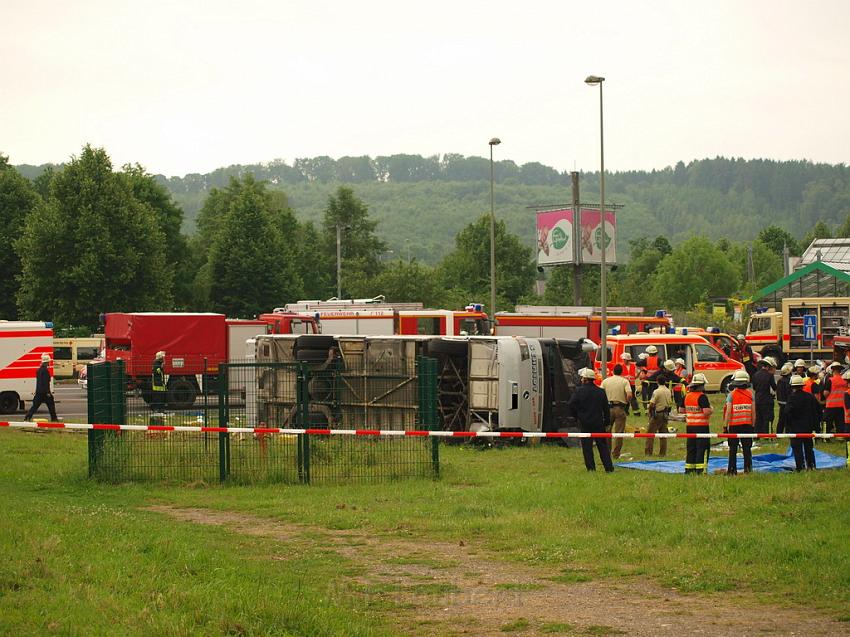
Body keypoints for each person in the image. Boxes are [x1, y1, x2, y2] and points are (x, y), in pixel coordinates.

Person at [568, 367, 614, 472]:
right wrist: (607, 422)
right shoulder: (601, 392)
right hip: (598, 423)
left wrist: (577, 416)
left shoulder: (579, 391)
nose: (581, 380)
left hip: (584, 423)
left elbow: (571, 405)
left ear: (585, 379)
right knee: (603, 447)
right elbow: (606, 409)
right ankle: (609, 468)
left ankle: (591, 468)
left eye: (582, 378)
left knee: (587, 447)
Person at [785, 374, 820, 471]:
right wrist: (816, 426)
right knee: (809, 448)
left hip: (795, 428)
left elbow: (787, 413)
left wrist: (788, 427)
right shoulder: (810, 397)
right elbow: (818, 410)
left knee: (797, 449)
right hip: (808, 427)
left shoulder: (791, 398)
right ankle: (811, 465)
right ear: (802, 385)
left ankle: (800, 467)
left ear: (792, 386)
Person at [681, 373, 713, 474]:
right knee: (702, 448)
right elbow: (706, 412)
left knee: (691, 448)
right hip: (701, 427)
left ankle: (689, 469)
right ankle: (700, 470)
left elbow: (681, 410)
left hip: (690, 426)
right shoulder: (702, 397)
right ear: (701, 385)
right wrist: (711, 409)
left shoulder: (687, 396)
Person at [724, 369, 755, 474]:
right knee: (747, 449)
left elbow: (728, 412)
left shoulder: (731, 395)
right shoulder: (751, 394)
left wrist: (725, 426)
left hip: (734, 426)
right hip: (747, 425)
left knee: (732, 450)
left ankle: (732, 470)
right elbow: (753, 412)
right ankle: (748, 469)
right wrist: (753, 425)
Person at [601, 364, 633, 460]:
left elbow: (601, 393)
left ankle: (607, 452)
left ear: (613, 371)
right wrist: (627, 402)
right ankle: (616, 453)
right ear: (621, 371)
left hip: (608, 408)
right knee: (619, 433)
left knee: (607, 431)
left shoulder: (606, 381)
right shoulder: (624, 381)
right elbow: (630, 395)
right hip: (620, 408)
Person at [24, 353, 58, 421]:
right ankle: (54, 418)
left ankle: (27, 417)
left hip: (39, 391)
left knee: (35, 406)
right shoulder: (45, 371)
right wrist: (48, 392)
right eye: (48, 362)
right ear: (47, 362)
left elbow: (39, 382)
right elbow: (45, 383)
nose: (49, 363)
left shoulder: (38, 370)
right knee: (51, 404)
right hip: (44, 392)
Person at [645, 378, 672, 457]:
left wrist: (649, 411)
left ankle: (648, 453)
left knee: (650, 434)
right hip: (665, 414)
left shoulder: (656, 391)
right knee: (663, 435)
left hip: (657, 414)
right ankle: (662, 453)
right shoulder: (668, 391)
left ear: (657, 382)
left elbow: (652, 404)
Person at [752, 356, 777, 434]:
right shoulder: (770, 375)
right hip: (767, 400)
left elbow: (754, 387)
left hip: (758, 399)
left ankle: (757, 434)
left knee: (758, 418)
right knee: (767, 418)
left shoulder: (755, 375)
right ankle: (766, 434)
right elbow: (774, 387)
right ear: (768, 366)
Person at [820, 361, 846, 435]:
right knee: (840, 422)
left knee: (827, 422)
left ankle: (826, 437)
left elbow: (826, 393)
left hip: (831, 405)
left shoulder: (830, 380)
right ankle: (840, 436)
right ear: (840, 370)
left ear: (832, 370)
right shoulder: (844, 380)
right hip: (842, 405)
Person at [775, 363, 793, 434]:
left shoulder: (779, 381)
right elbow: (789, 392)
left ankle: (779, 432)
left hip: (780, 403)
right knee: (788, 419)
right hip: (787, 403)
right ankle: (788, 432)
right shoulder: (789, 381)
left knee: (781, 419)